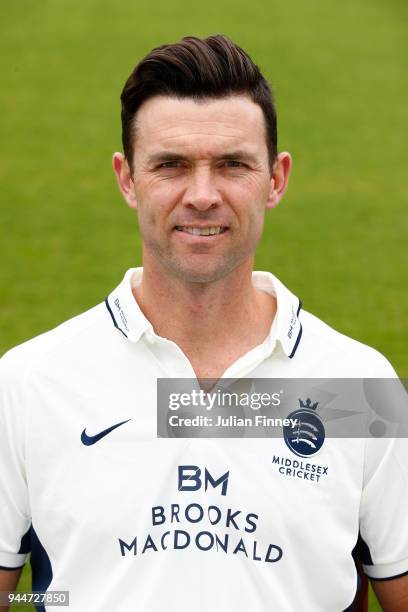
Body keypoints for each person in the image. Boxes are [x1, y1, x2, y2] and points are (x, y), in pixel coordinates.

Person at [0, 34, 407, 612]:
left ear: (276, 179)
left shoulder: (362, 390)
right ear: (126, 178)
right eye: (171, 165)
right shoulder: (27, 383)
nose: (202, 195)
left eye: (232, 165)